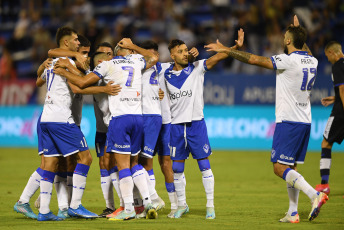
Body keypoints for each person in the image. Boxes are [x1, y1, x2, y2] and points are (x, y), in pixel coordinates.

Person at [205, 15, 328, 223]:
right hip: (306, 121)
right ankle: (293, 212)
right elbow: (304, 49)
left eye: (285, 37)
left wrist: (227, 50)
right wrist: (299, 33)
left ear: (288, 41)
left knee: (279, 168)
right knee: (292, 168)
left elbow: (254, 59)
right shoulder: (312, 60)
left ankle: (314, 195)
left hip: (288, 121)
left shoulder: (287, 60)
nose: (283, 38)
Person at [53, 38, 159, 220]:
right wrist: (133, 46)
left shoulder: (107, 66)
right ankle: (148, 201)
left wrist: (64, 71)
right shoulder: (136, 61)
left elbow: (82, 83)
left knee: (122, 165)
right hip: (138, 118)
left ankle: (128, 208)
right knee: (134, 163)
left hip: (119, 120)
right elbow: (153, 57)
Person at [158, 30, 243, 219]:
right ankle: (182, 205)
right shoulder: (164, 71)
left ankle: (210, 207)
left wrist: (235, 47)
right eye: (180, 51)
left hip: (196, 124)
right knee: (177, 169)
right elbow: (147, 65)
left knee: (204, 165)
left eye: (185, 50)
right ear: (172, 55)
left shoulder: (197, 67)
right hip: (176, 127)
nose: (185, 53)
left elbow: (219, 57)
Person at [37, 26, 97, 221]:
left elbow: (39, 80)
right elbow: (79, 84)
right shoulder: (67, 61)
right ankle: (76, 206)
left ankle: (44, 211)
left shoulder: (54, 61)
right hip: (62, 118)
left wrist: (45, 65)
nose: (78, 43)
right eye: (76, 40)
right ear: (67, 42)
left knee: (51, 163)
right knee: (86, 158)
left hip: (46, 117)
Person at [315, 41, 344, 195]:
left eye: (327, 56)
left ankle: (324, 184)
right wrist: (334, 98)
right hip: (340, 104)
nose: (328, 59)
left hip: (340, 113)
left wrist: (339, 102)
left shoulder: (338, 65)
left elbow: (343, 90)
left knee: (326, 144)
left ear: (332, 53)